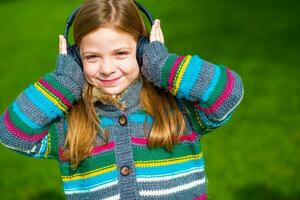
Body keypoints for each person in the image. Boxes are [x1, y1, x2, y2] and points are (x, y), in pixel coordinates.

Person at [0, 0, 244, 199]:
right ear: (76, 58)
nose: (107, 68)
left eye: (121, 53)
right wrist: (64, 81)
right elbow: (12, 133)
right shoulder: (71, 123)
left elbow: (228, 93)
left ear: (142, 50)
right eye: (92, 57)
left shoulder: (177, 108)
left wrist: (161, 64)